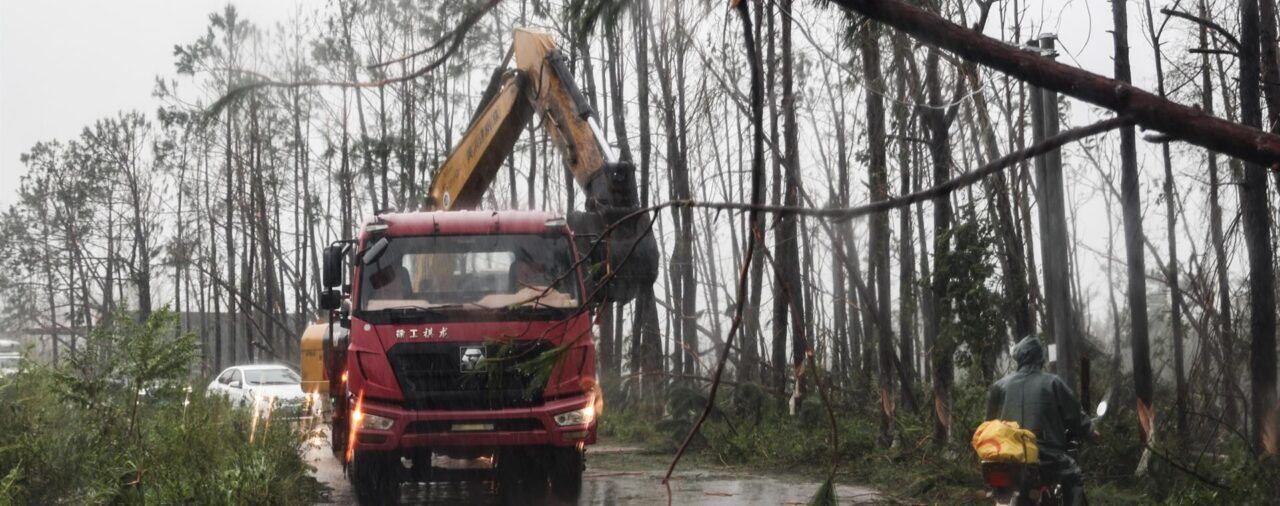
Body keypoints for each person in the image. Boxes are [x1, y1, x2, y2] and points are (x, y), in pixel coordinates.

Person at [986, 335, 1094, 506]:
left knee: (1000, 493)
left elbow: (988, 426)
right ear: (1040, 358)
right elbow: (1075, 415)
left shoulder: (1000, 386)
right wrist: (1091, 431)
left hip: (1009, 460)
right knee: (1074, 478)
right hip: (1047, 455)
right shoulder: (1053, 383)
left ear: (1019, 358)